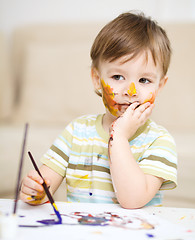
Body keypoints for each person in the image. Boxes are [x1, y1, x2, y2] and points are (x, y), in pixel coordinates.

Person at [20, 11, 177, 209]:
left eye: (144, 80)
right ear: (97, 79)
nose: (131, 92)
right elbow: (43, 187)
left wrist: (118, 136)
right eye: (118, 77)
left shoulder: (159, 142)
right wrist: (35, 192)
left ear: (159, 86)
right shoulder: (76, 132)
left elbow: (132, 200)